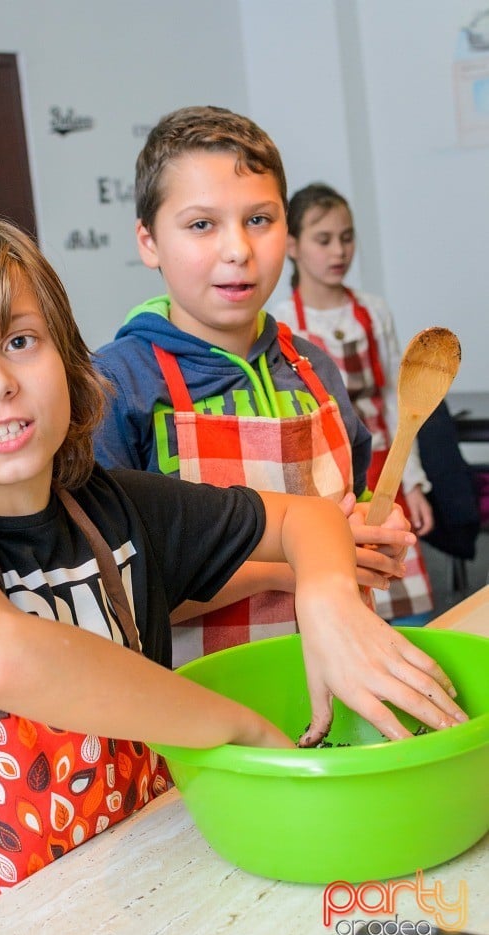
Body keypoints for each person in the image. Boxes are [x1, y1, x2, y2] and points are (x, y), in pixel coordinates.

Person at [0, 214, 465, 935]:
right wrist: (234, 725)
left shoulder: (113, 505)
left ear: (70, 363)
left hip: (144, 883)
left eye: (19, 341)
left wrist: (327, 599)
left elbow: (307, 520)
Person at [93, 105, 414, 664]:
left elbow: (359, 506)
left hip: (342, 685)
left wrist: (378, 530)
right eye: (201, 225)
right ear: (148, 242)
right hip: (196, 720)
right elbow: (113, 598)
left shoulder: (314, 368)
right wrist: (302, 564)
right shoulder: (118, 386)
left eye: (259, 220)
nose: (238, 249)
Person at [273, 181, 435, 624]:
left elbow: (401, 400)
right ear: (292, 246)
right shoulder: (282, 320)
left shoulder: (373, 310)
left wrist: (415, 481)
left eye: (346, 237)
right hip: (332, 479)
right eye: (323, 240)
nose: (338, 251)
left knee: (404, 602)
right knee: (350, 599)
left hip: (389, 463)